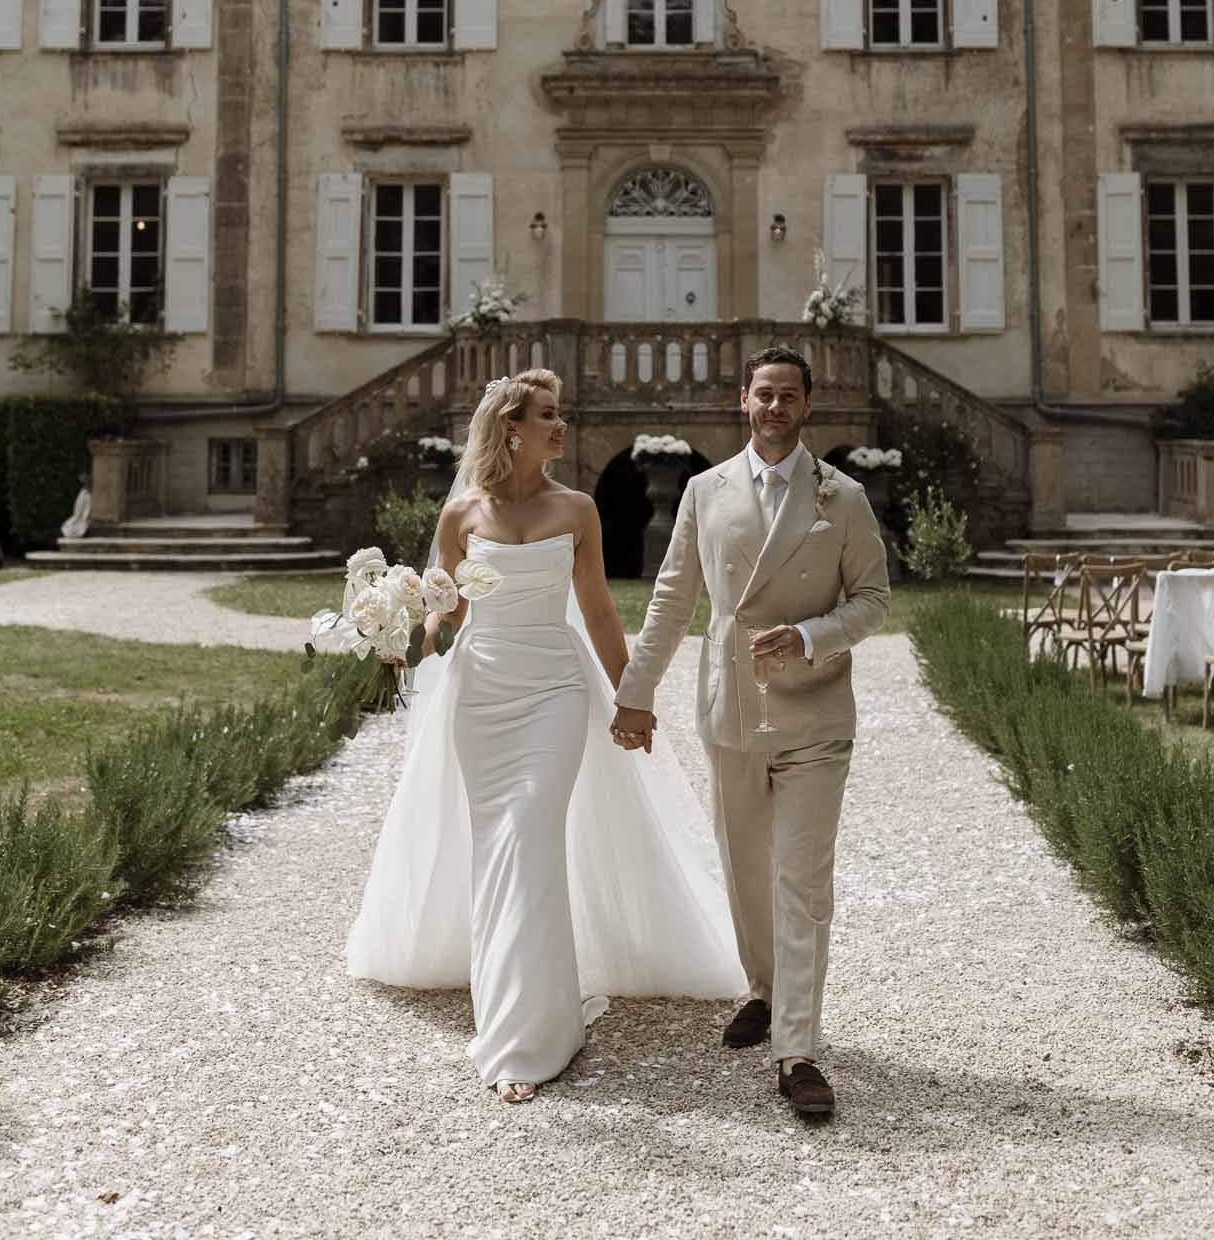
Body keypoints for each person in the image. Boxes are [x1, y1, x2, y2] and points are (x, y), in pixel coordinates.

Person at [347, 368, 743, 1104]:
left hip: (556, 693)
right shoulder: (460, 515)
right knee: (499, 845)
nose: (560, 427)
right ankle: (517, 1003)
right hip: (482, 696)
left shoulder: (578, 509)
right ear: (510, 428)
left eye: (560, 415)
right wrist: (401, 629)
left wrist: (634, 698)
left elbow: (596, 614)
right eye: (548, 416)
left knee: (529, 837)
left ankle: (530, 1037)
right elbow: (449, 614)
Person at [611, 345, 890, 1120]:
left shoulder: (844, 497)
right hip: (731, 708)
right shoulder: (705, 490)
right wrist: (636, 694)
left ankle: (797, 1051)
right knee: (744, 872)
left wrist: (810, 636)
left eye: (788, 396)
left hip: (814, 714)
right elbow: (671, 600)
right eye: (763, 395)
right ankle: (765, 990)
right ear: (743, 402)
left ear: (807, 406)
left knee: (800, 882)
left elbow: (872, 600)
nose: (774, 408)